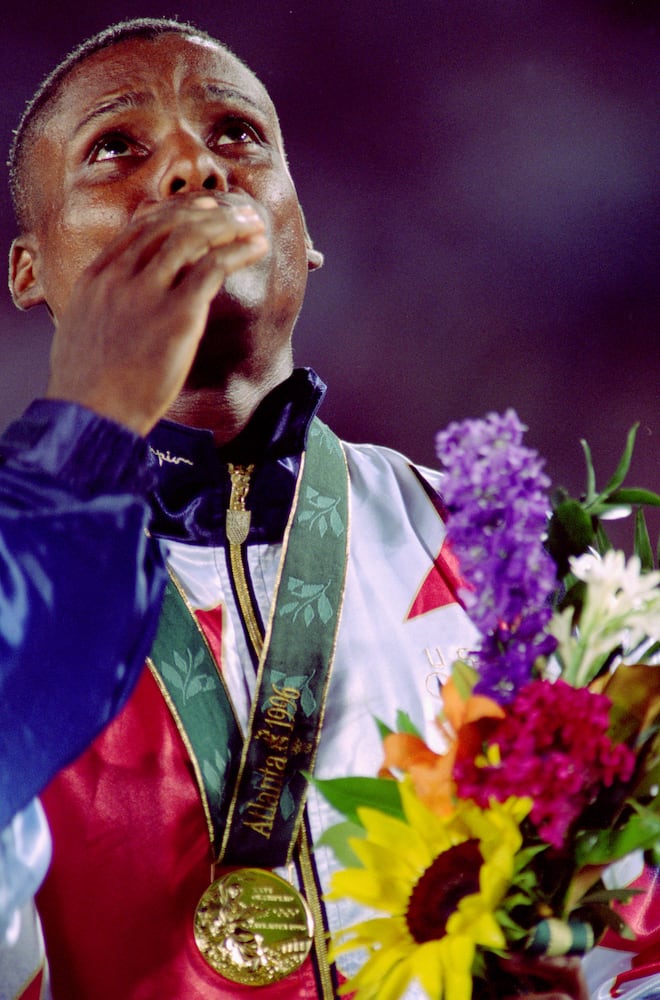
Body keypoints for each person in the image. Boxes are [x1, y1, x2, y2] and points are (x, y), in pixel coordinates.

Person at [0, 17, 648, 1000]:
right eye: (116, 148)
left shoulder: (509, 553)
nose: (192, 170)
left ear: (307, 238)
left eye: (237, 136)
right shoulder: (18, 576)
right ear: (30, 271)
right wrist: (90, 417)